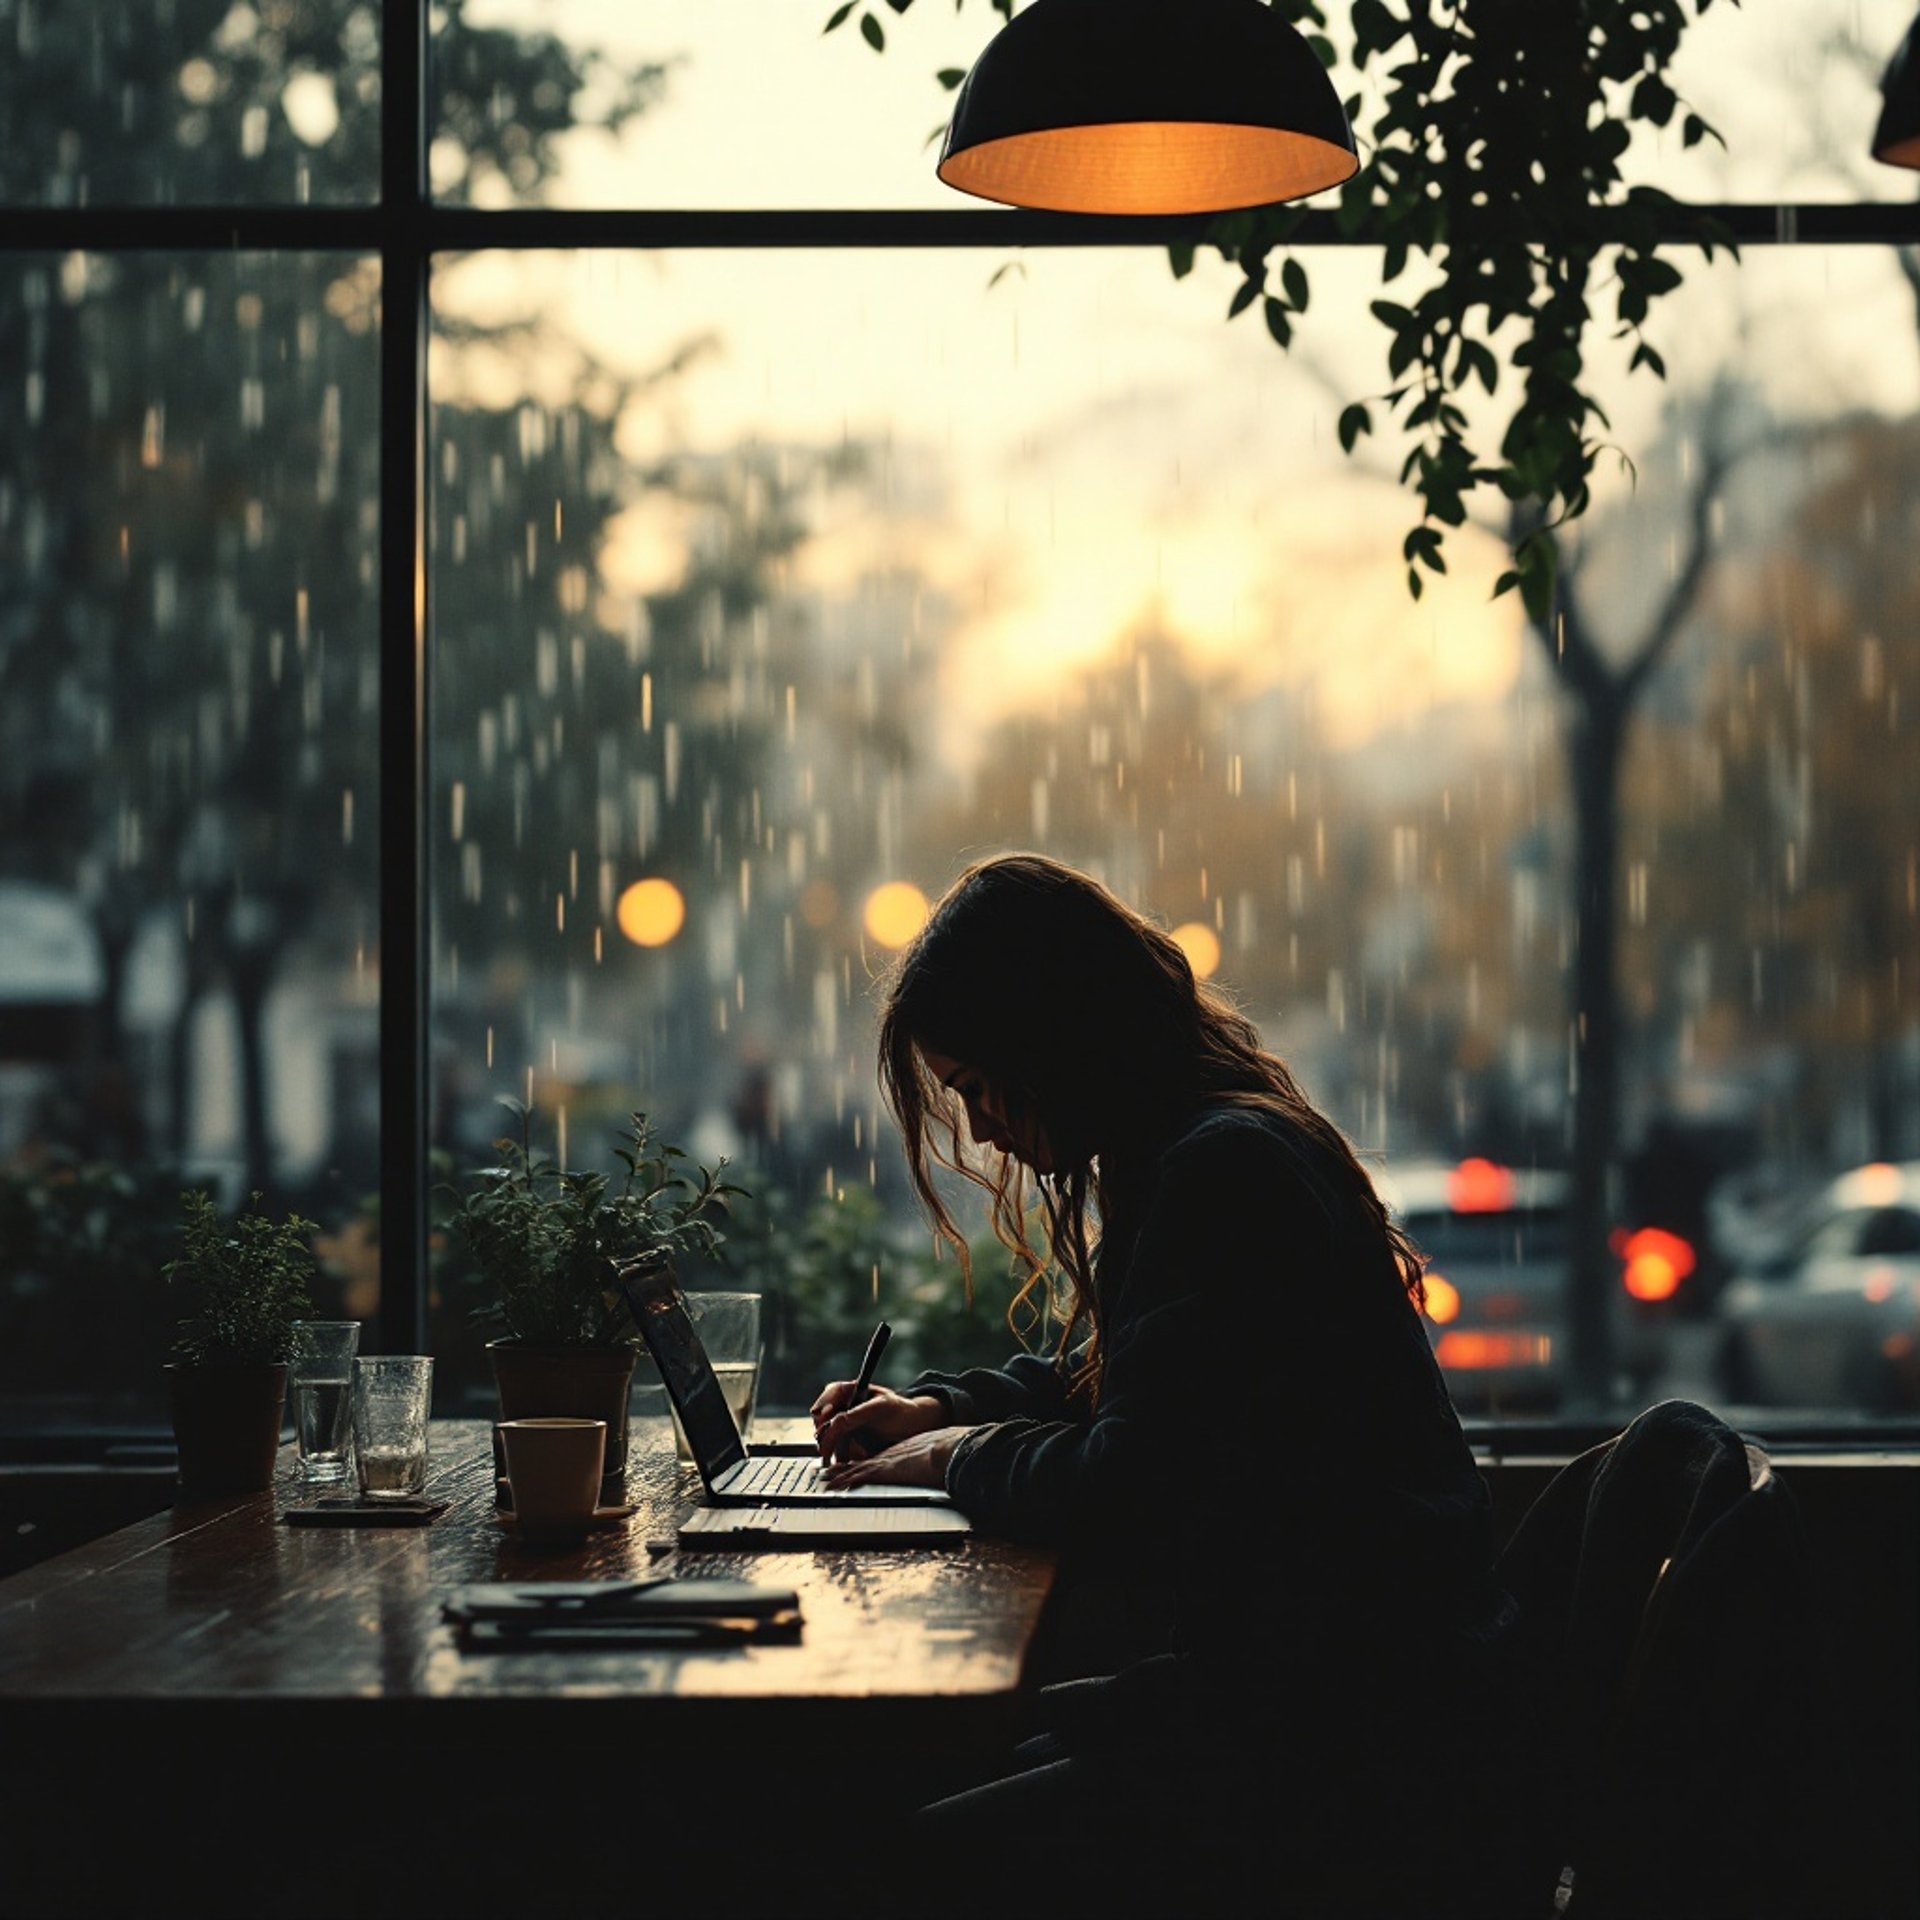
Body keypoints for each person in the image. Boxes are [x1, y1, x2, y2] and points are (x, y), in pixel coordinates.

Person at [810, 853, 1522, 1916]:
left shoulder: (1218, 1172)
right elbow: (1151, 1387)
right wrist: (945, 1409)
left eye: (972, 1088)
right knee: (903, 1809)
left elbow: (1127, 1483)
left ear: (1046, 1042)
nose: (981, 1131)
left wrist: (956, 1457)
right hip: (1371, 1707)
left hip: (1348, 1757)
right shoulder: (1212, 1148)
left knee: (894, 1852)